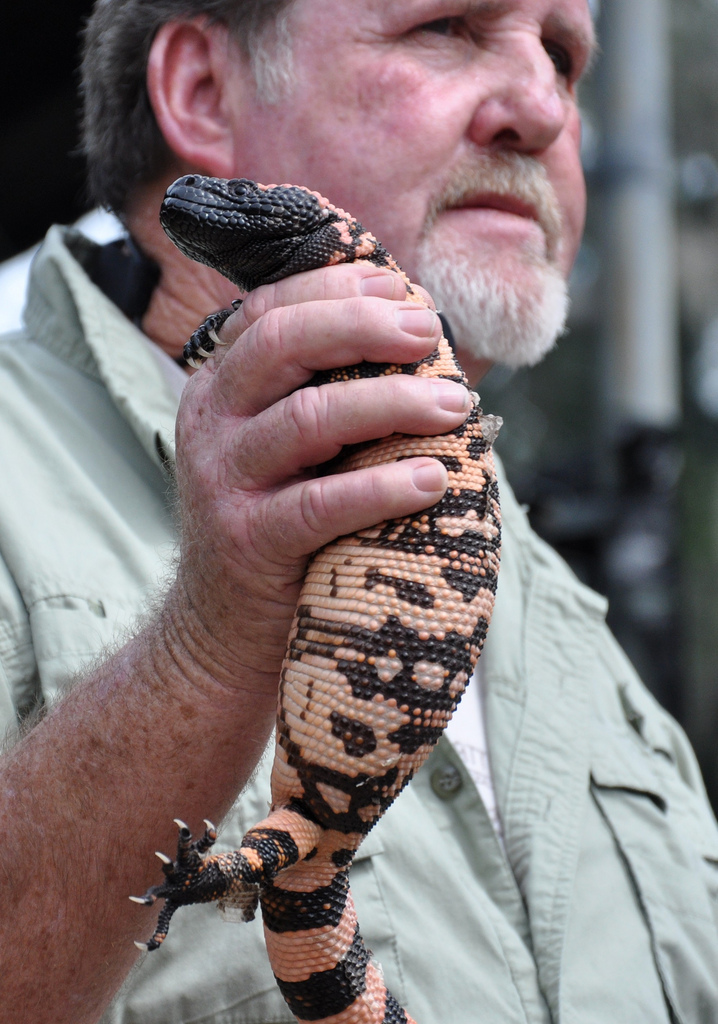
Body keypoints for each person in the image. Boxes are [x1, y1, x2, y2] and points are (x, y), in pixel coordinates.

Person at [1, 1, 717, 1022]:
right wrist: (203, 653)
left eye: (563, 56)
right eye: (448, 25)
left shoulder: (559, 604)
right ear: (204, 93)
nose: (545, 110)